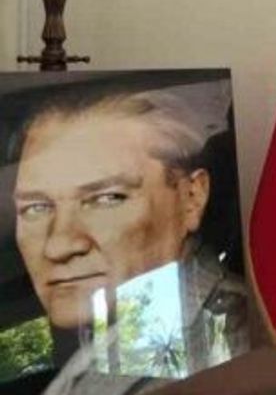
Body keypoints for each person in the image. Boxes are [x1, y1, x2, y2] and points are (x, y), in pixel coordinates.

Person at [11, 80, 249, 362]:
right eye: (36, 207)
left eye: (107, 198)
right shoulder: (115, 342)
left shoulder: (229, 343)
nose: (58, 245)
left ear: (191, 198)